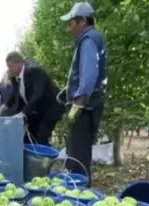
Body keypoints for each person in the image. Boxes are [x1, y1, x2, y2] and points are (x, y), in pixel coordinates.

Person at [60, 2, 107, 186]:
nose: (68, 28)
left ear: (83, 22)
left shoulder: (88, 41)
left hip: (86, 106)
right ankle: (78, 188)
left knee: (78, 155)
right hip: (91, 104)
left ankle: (78, 193)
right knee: (79, 151)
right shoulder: (93, 39)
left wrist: (78, 102)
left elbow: (89, 75)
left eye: (71, 23)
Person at [4, 51, 64, 145]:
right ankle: (31, 157)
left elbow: (37, 94)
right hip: (37, 111)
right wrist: (2, 113)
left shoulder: (34, 71)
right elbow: (15, 99)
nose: (8, 70)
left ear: (19, 63)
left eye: (10, 66)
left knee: (41, 137)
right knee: (28, 138)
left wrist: (23, 113)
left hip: (51, 108)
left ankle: (43, 158)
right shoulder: (18, 79)